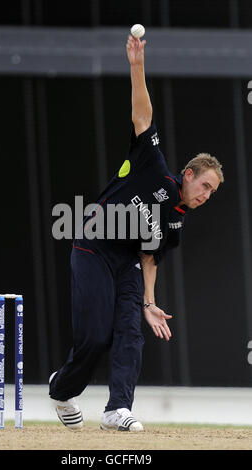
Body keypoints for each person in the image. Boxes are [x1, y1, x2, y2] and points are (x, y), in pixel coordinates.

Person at [49, 35, 224, 431]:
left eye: (212, 192)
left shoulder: (175, 223)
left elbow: (149, 258)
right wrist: (136, 65)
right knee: (95, 337)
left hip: (126, 263)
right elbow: (142, 116)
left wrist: (149, 302)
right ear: (189, 174)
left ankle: (117, 409)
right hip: (92, 245)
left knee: (130, 331)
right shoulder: (152, 164)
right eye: (206, 186)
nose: (207, 195)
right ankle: (62, 389)